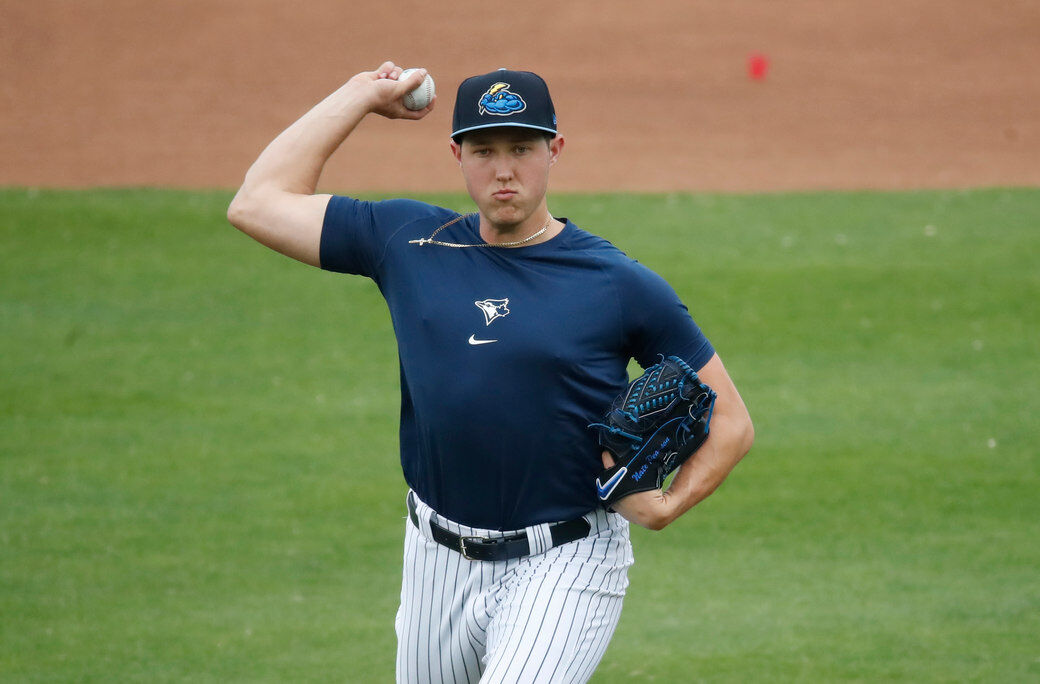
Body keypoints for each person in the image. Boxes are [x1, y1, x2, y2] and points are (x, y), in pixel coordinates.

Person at [228, 61, 754, 683]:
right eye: (484, 150)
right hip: (433, 559)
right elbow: (256, 203)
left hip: (565, 561)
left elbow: (730, 419)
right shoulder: (408, 241)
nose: (504, 170)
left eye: (522, 148)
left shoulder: (616, 283)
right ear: (457, 153)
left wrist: (667, 504)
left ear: (554, 149)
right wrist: (361, 95)